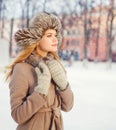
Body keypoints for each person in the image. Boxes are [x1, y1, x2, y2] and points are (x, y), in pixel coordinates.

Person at [6, 12, 74, 130]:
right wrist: (41, 90)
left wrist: (63, 84)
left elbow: (68, 106)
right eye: (49, 35)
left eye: (55, 34)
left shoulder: (56, 67)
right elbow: (17, 116)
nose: (55, 39)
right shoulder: (21, 69)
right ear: (37, 39)